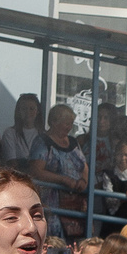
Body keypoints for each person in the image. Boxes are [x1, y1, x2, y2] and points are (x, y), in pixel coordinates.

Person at [30, 101, 89, 235]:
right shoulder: (42, 142)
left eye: (71, 123)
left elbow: (84, 166)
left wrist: (83, 181)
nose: (69, 127)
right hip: (52, 203)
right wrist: (62, 180)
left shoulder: (73, 142)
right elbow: (36, 171)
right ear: (54, 122)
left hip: (75, 204)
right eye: (66, 123)